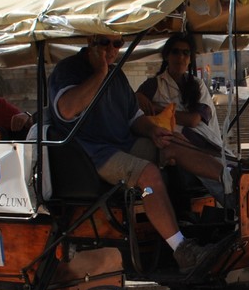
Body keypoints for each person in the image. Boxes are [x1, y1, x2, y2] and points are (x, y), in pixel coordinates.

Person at [48, 35, 226, 273]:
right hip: (91, 154)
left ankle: (232, 183)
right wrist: (100, 74)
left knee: (173, 142)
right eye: (105, 42)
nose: (112, 49)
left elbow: (134, 118)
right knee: (149, 177)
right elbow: (67, 109)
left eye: (117, 44)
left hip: (122, 143)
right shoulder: (69, 70)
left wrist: (154, 131)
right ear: (91, 41)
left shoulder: (117, 75)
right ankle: (182, 249)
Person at [136, 33, 226, 155]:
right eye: (175, 52)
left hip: (204, 141)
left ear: (190, 59)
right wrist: (138, 97)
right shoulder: (153, 85)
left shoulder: (198, 84)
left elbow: (193, 120)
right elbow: (134, 106)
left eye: (186, 53)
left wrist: (158, 108)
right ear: (167, 56)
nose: (181, 57)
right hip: (173, 145)